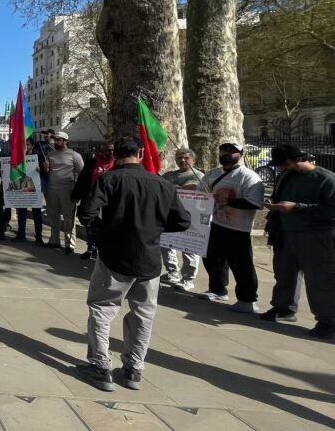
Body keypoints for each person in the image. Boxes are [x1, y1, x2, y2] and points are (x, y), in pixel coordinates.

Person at [76, 136, 190, 392]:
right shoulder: (162, 184)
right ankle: (134, 368)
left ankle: (100, 365)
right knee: (143, 315)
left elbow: (86, 213)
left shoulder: (109, 179)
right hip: (149, 260)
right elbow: (183, 221)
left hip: (114, 256)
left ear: (115, 154)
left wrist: (103, 233)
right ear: (141, 152)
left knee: (102, 309)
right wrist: (154, 228)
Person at [262, 144, 335, 339]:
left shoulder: (326, 179)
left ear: (298, 160)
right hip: (286, 233)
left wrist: (297, 207)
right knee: (284, 273)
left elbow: (331, 210)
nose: (280, 168)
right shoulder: (285, 176)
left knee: (320, 280)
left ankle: (328, 321)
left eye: (284, 164)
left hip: (317, 236)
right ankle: (283, 308)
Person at [199, 142, 265, 313]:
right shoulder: (212, 173)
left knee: (242, 265)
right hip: (215, 224)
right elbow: (200, 194)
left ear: (241, 154)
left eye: (232, 151)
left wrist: (227, 201)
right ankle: (217, 289)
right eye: (223, 150)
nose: (226, 153)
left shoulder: (249, 177)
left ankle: (248, 299)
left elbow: (255, 203)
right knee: (213, 259)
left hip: (238, 229)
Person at [159, 148, 205, 291]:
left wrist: (176, 188)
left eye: (186, 158)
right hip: (169, 216)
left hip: (190, 219)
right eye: (179, 158)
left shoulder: (199, 176)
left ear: (193, 160)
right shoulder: (168, 175)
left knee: (189, 249)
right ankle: (172, 273)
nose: (182, 160)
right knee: (166, 246)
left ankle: (188, 279)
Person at [72, 142, 115, 261]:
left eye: (112, 150)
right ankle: (91, 248)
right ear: (101, 151)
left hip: (110, 200)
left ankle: (103, 250)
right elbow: (83, 178)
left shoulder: (117, 164)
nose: (110, 152)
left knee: (106, 226)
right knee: (90, 224)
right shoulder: (92, 163)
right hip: (92, 198)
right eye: (107, 150)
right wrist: (77, 193)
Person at [45, 131, 84, 254]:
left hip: (68, 190)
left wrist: (77, 190)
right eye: (54, 139)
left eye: (58, 140)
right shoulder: (50, 155)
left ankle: (70, 244)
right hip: (52, 190)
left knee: (69, 218)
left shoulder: (75, 155)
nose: (55, 141)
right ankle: (54, 240)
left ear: (66, 141)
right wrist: (45, 167)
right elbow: (46, 172)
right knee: (53, 216)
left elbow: (82, 174)